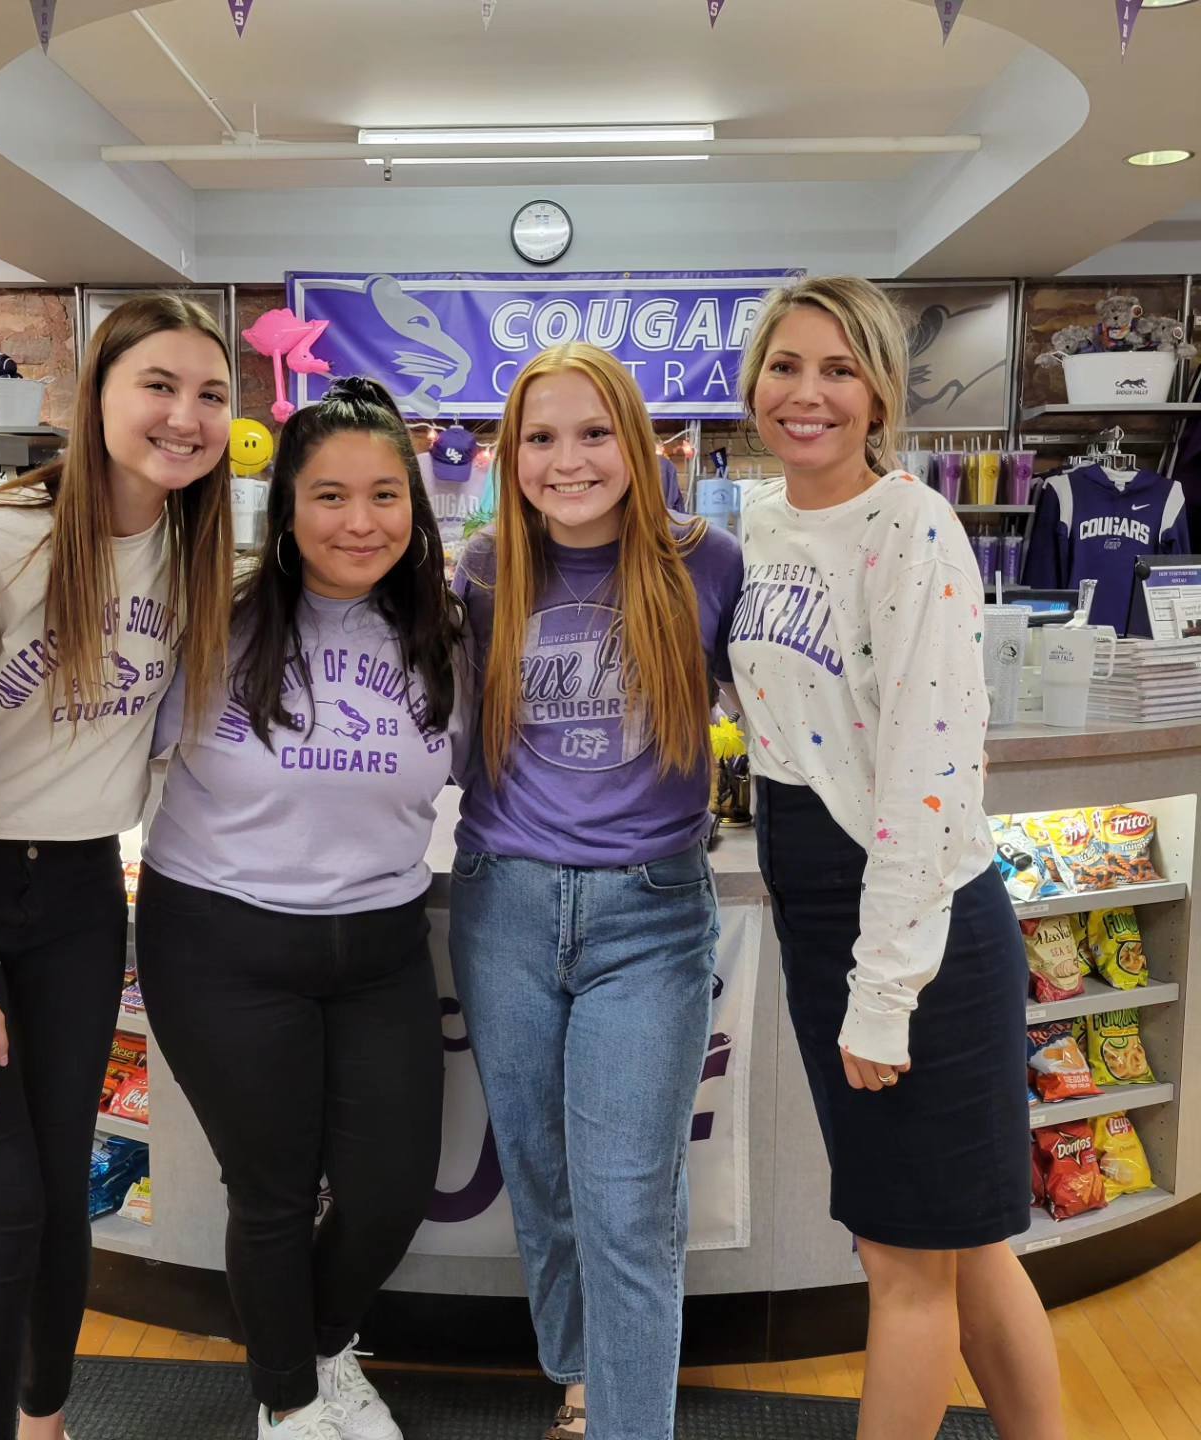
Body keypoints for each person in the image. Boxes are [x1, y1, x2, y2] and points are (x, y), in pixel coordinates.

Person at [0, 295, 235, 1440]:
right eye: (158, 386)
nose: (185, 416)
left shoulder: (197, 556)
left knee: (62, 1194)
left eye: (210, 394)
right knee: (6, 1210)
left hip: (75, 890)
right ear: (98, 394)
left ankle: (46, 1421)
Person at [731, 275, 1065, 1439]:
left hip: (918, 930)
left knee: (902, 1261)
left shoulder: (913, 528)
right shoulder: (761, 526)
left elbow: (931, 774)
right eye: (786, 366)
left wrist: (884, 993)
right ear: (754, 385)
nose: (808, 392)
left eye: (840, 369)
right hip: (823, 912)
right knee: (959, 1246)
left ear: (880, 393)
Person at [135, 377, 470, 1440]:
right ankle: (288, 1404)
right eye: (329, 496)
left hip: (379, 948)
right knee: (272, 1193)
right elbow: (95, 718)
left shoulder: (446, 633)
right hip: (218, 941)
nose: (359, 522)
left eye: (384, 495)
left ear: (414, 507)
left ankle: (318, 1355)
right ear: (285, 509)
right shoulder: (212, 623)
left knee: (390, 1190)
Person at [447, 343, 742, 1440]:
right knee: (540, 1179)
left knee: (627, 1205)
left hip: (650, 919)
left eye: (593, 433)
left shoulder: (709, 563)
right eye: (540, 437)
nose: (567, 460)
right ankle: (579, 1380)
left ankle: (626, 1424)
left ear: (638, 443)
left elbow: (793, 703)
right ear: (509, 455)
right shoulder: (484, 571)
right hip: (504, 907)